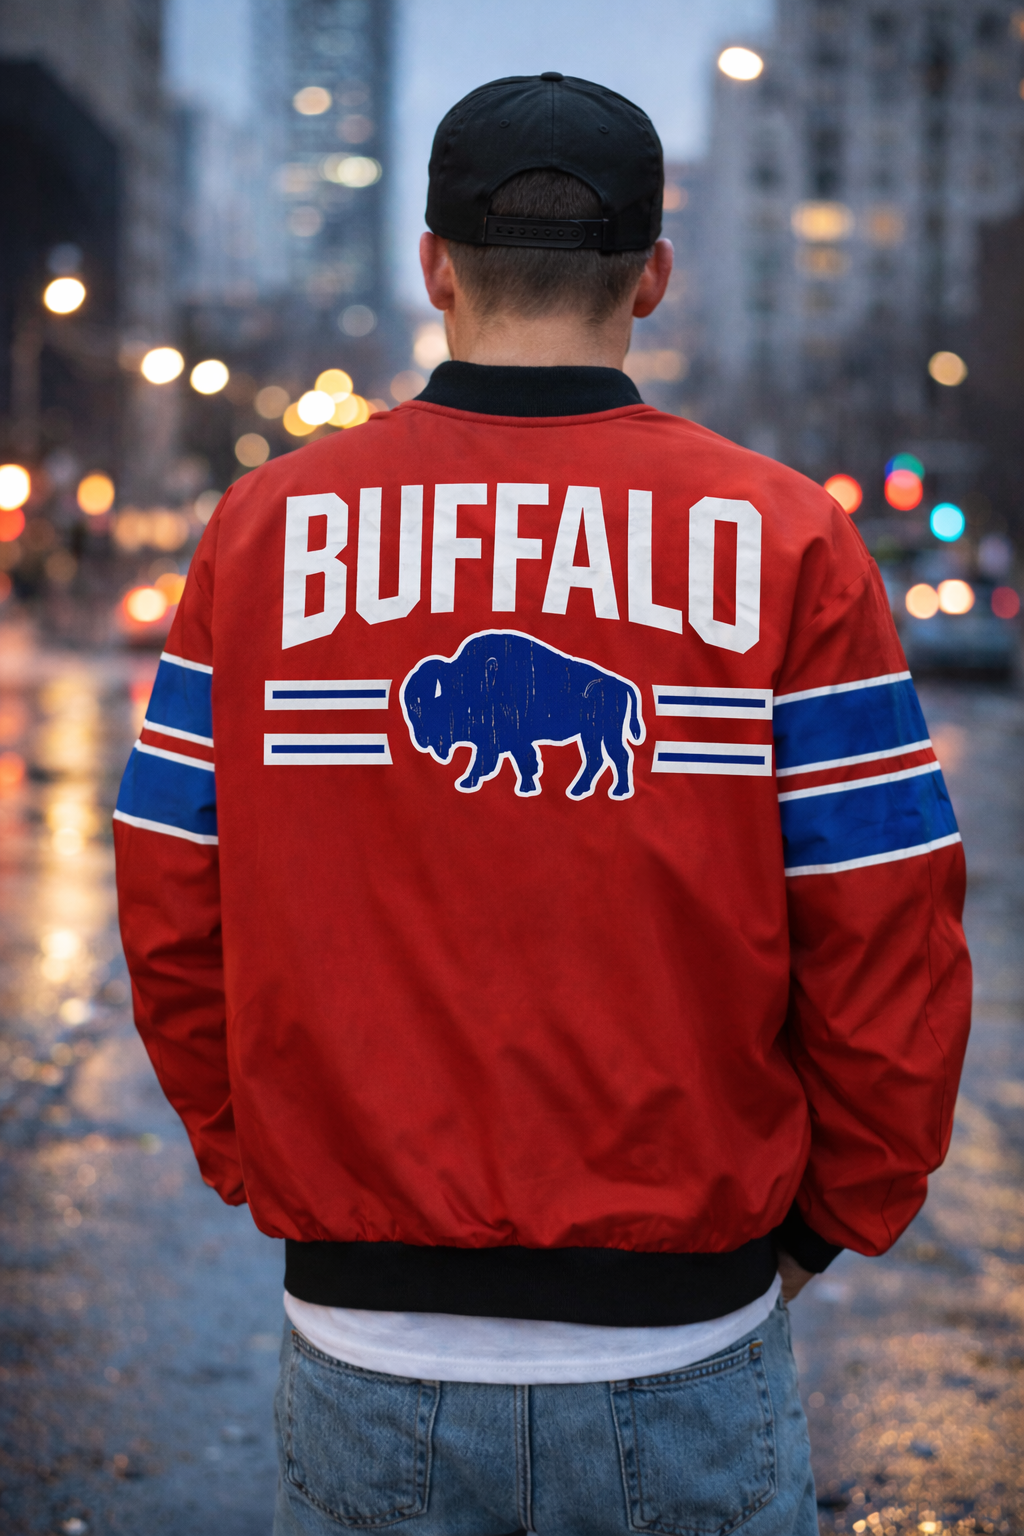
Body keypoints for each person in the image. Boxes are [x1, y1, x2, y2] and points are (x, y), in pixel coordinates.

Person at [114, 73, 972, 1536]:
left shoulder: (267, 533)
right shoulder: (786, 542)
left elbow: (167, 892)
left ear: (432, 264)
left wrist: (262, 1153)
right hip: (687, 1343)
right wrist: (832, 1220)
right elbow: (890, 924)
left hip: (363, 1340)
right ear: (654, 274)